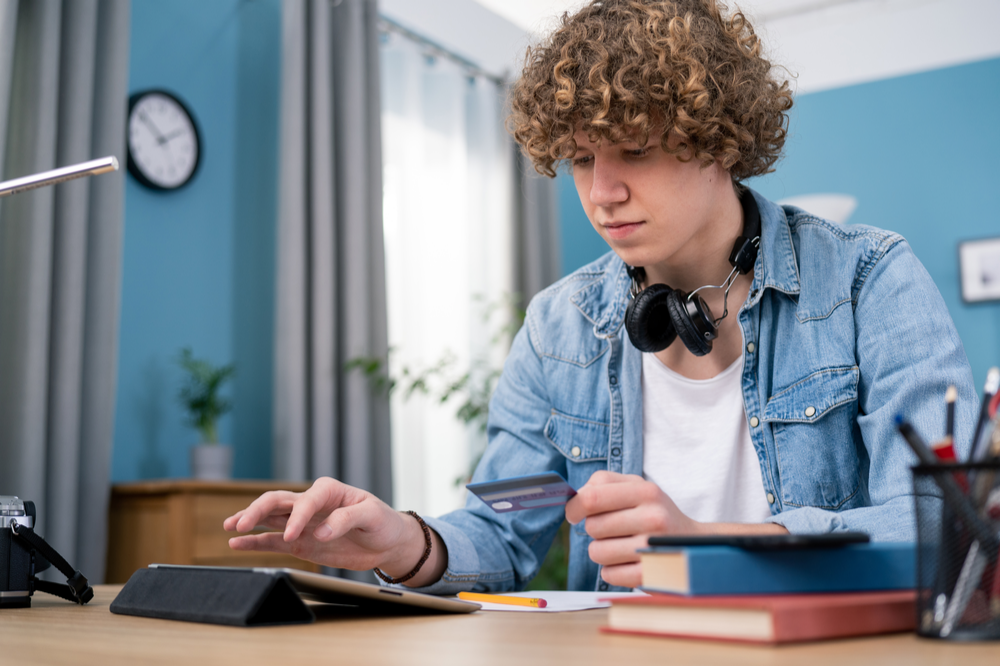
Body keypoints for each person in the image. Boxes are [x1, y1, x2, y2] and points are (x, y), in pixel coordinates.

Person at [225, 0, 977, 593]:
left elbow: (954, 516)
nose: (601, 193)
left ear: (717, 138)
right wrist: (407, 542)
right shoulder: (558, 328)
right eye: (581, 158)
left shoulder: (869, 279)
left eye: (636, 152)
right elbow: (505, 523)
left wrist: (725, 547)